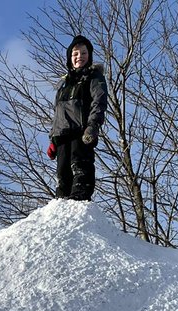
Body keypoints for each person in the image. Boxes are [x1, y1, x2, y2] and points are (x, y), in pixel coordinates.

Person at [47, 35, 107, 201]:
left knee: (80, 167)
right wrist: (52, 139)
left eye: (83, 53)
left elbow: (99, 102)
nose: (79, 57)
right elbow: (57, 112)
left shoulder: (93, 77)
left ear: (89, 56)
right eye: (75, 54)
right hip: (62, 135)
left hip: (81, 132)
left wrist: (92, 126)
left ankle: (79, 203)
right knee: (62, 175)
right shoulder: (64, 84)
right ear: (70, 58)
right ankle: (61, 209)